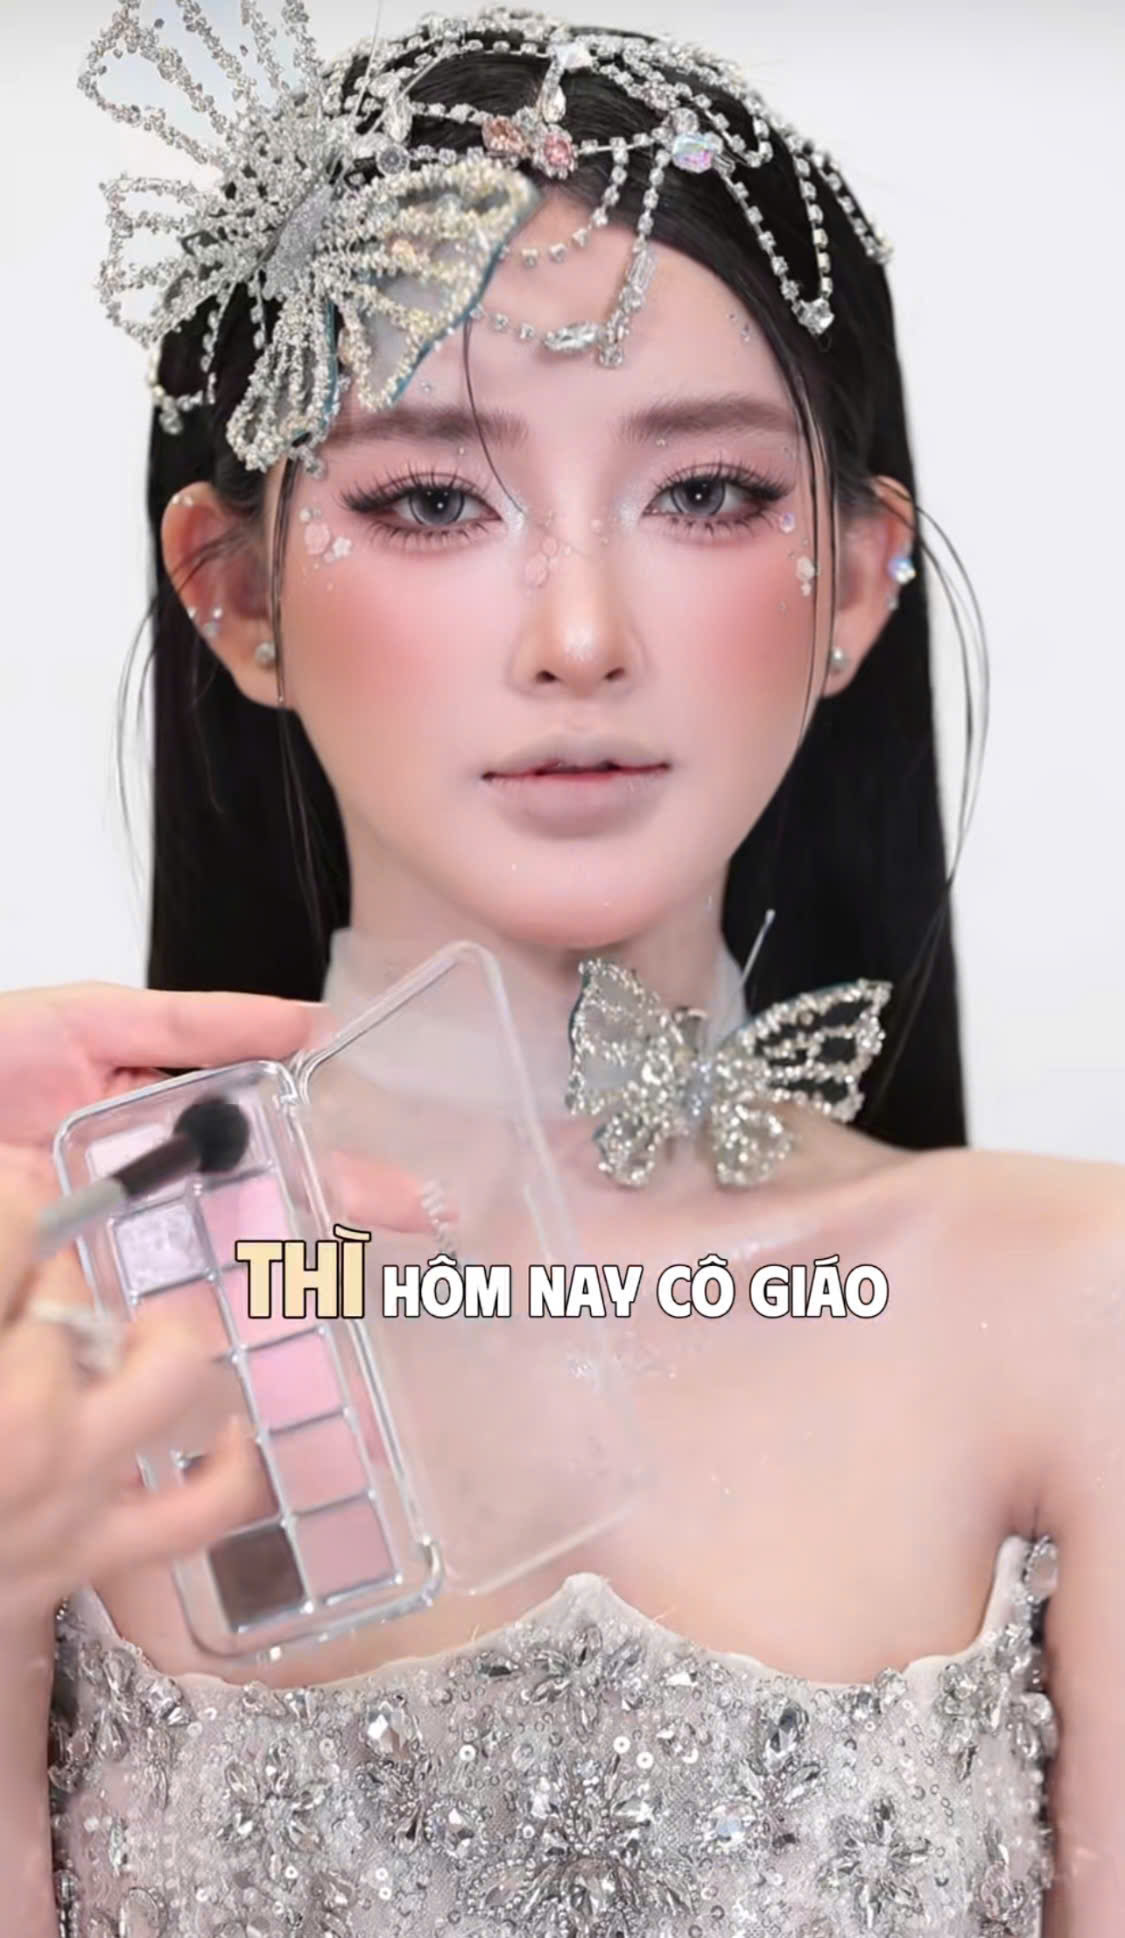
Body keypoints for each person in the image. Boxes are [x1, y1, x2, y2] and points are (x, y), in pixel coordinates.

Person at [5, 4, 1123, 1933]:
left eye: (707, 493)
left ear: (858, 580)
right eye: (431, 500)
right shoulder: (67, 1311)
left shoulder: (1068, 1305)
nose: (581, 633)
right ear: (236, 591)